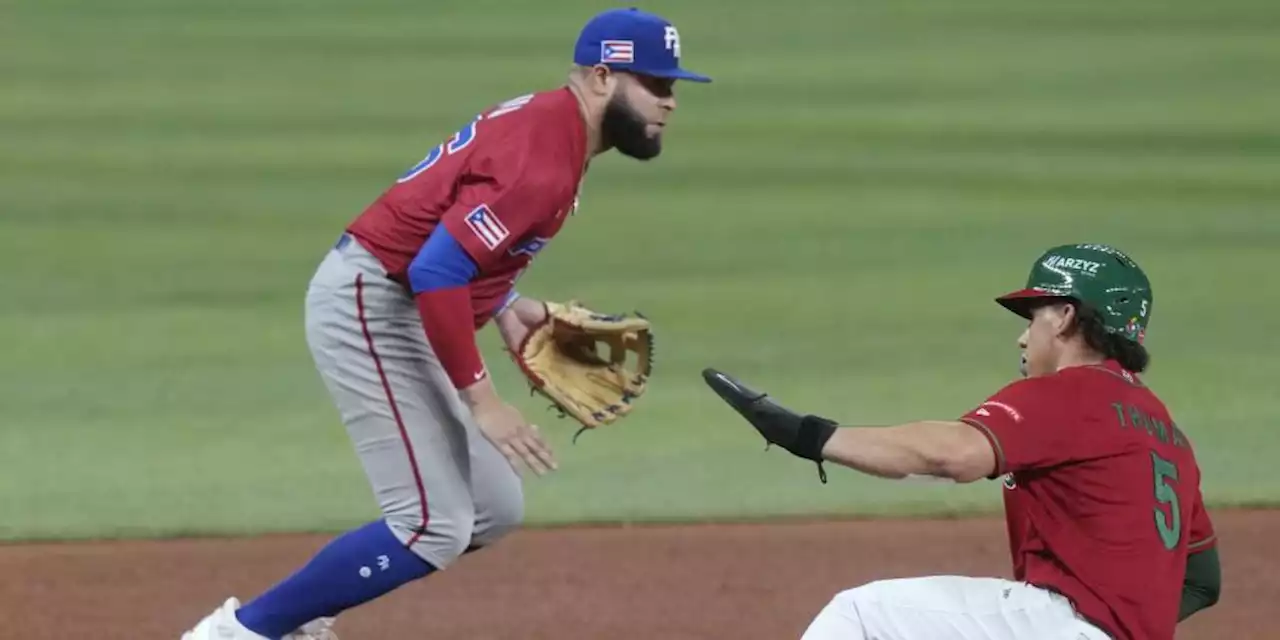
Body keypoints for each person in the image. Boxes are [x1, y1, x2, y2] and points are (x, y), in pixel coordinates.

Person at [181, 7, 710, 639]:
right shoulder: (543, 159)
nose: (669, 102)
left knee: (492, 507)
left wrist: (509, 307)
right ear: (601, 78)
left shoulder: (555, 128)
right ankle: (241, 634)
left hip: (397, 302)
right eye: (655, 83)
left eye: (672, 86)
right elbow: (435, 272)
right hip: (371, 304)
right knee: (432, 526)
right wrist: (483, 401)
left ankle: (295, 619)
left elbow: (464, 237)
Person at [703, 243, 1221, 640]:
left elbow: (954, 454)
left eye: (1034, 316)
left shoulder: (1075, 393)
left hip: (1058, 626)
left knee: (860, 617)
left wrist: (808, 436)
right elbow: (1202, 579)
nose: (1023, 336)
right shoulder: (1166, 431)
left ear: (1064, 316)